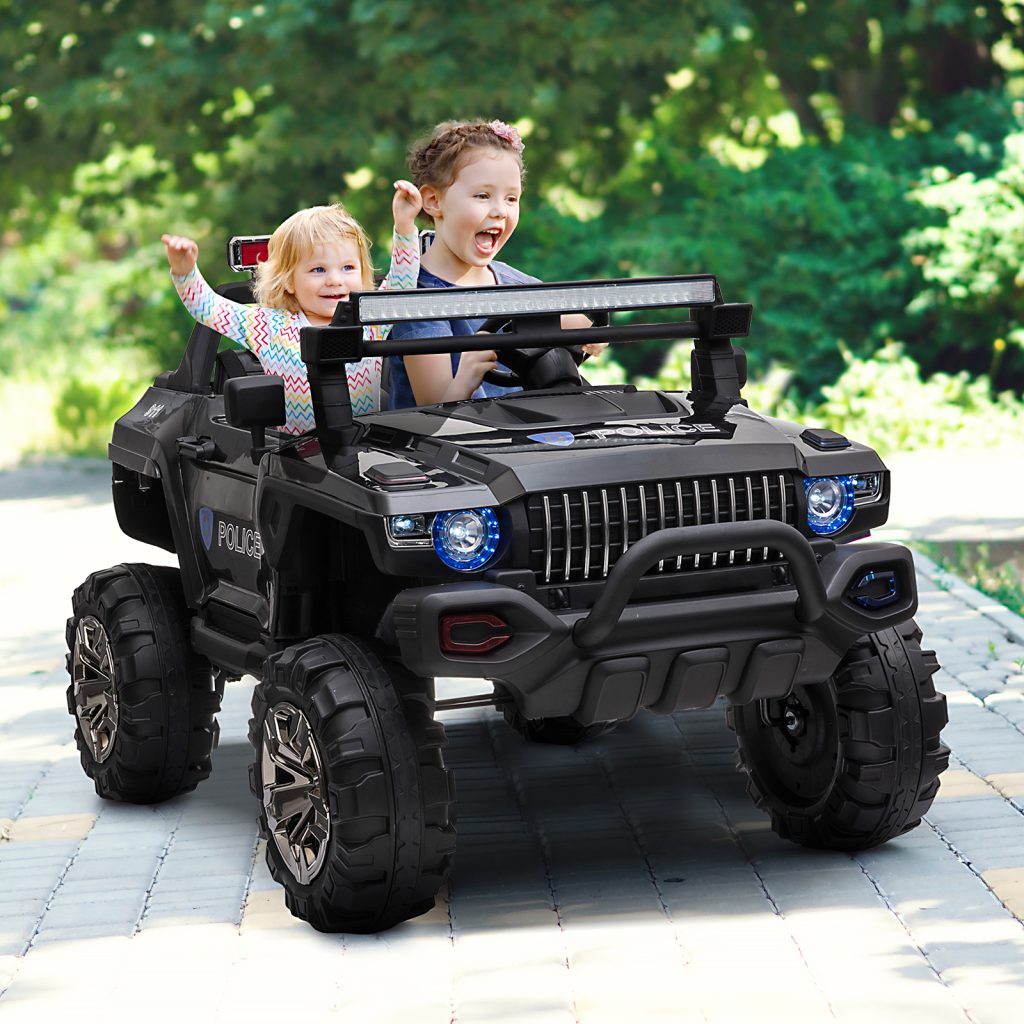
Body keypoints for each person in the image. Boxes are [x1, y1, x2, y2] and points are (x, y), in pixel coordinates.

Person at [161, 182, 422, 434]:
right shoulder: (270, 326)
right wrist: (185, 272)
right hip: (295, 462)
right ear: (288, 280)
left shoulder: (368, 318)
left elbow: (402, 283)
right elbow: (208, 309)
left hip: (364, 451)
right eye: (318, 269)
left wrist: (405, 225)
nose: (335, 279)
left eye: (348, 267)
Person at [388, 119, 604, 409]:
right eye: (482, 196)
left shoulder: (521, 286)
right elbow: (432, 410)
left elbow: (553, 332)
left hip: (526, 439)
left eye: (511, 198)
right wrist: (466, 375)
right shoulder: (417, 299)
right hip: (446, 445)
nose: (500, 211)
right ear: (433, 200)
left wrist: (588, 332)